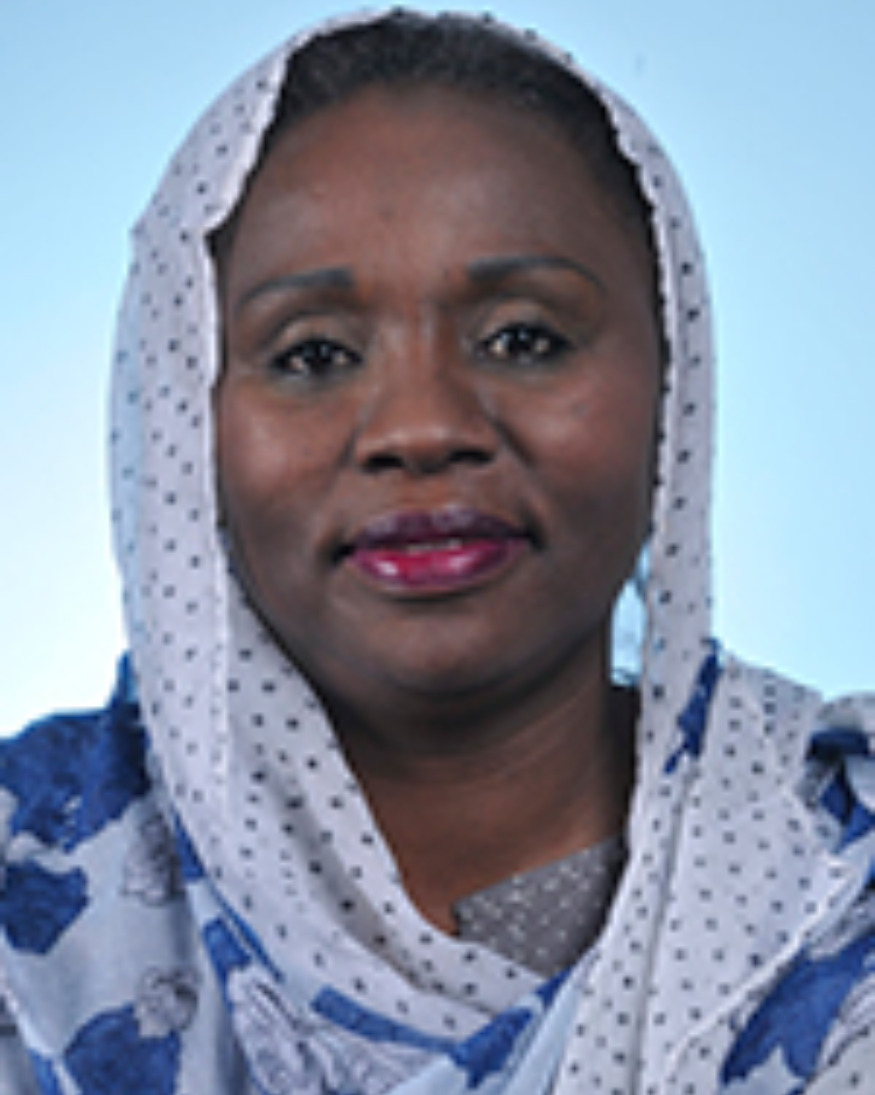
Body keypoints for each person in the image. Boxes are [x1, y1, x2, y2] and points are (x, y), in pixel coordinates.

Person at [1, 10, 874, 1093]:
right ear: (184, 421)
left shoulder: (841, 887)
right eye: (312, 354)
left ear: (673, 383)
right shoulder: (28, 890)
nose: (421, 427)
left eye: (523, 338)